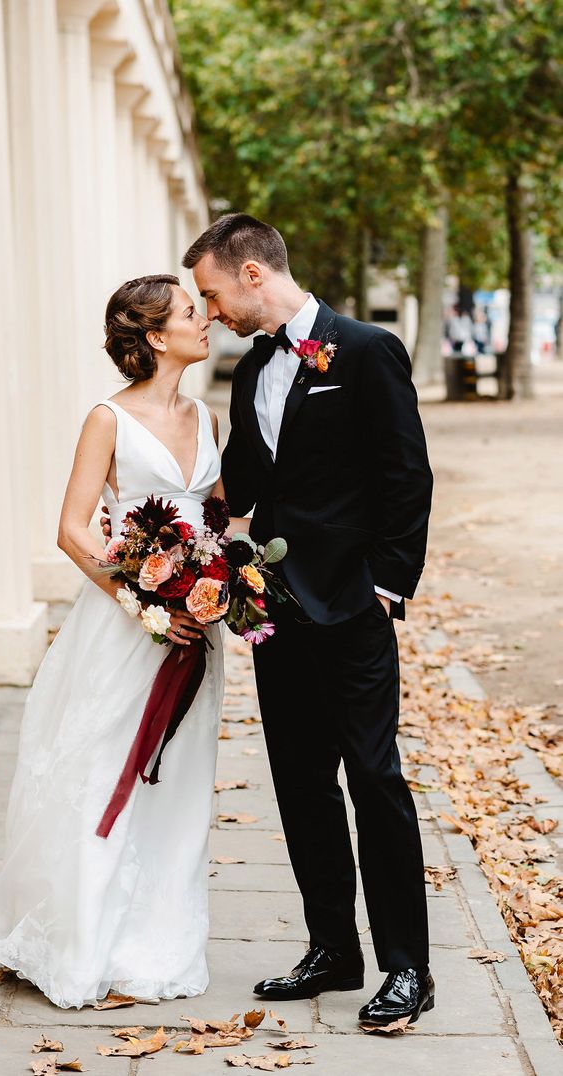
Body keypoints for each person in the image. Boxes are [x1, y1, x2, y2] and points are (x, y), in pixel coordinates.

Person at [0, 275, 247, 1008]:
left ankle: (157, 941)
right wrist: (139, 602)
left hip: (195, 630)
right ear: (153, 337)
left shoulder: (207, 417)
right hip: (124, 630)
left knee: (175, 782)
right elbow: (73, 529)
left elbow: (216, 519)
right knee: (97, 772)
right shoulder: (107, 419)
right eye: (189, 312)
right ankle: (80, 938)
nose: (205, 320)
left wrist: (224, 581)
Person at [183, 213, 435, 1027]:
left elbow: (406, 474)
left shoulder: (364, 350)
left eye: (213, 294)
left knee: (374, 778)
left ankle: (407, 966)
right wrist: (178, 543)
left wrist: (390, 586)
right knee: (300, 783)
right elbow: (247, 484)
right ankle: (333, 948)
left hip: (355, 605)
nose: (211, 312)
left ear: (253, 274)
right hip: (277, 607)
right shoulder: (251, 367)